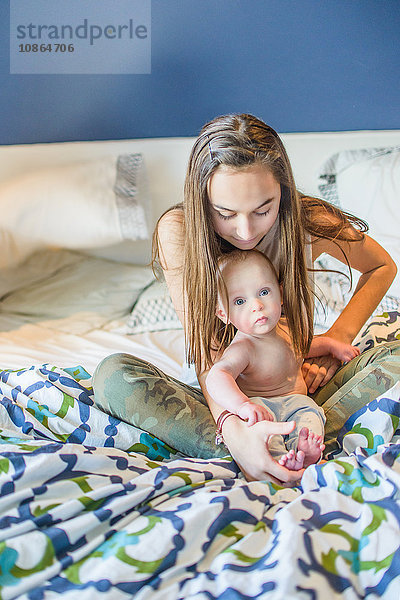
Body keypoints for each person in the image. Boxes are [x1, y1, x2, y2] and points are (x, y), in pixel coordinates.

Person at [93, 113, 399, 484]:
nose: (245, 230)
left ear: (283, 191)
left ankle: (297, 439)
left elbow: (381, 266)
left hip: (304, 389)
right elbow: (206, 354)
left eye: (263, 210)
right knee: (112, 375)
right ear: (202, 200)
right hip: (227, 400)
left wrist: (337, 338)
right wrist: (233, 425)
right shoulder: (180, 232)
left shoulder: (309, 221)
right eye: (225, 213)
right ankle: (261, 449)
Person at [207, 249, 360, 471]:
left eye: (264, 292)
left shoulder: (286, 328)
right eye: (239, 301)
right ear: (224, 315)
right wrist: (243, 406)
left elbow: (303, 347)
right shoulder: (244, 347)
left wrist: (330, 346)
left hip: (297, 403)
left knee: (311, 416)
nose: (256, 305)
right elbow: (217, 376)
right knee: (264, 433)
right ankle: (278, 460)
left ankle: (305, 451)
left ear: (280, 295)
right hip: (260, 407)